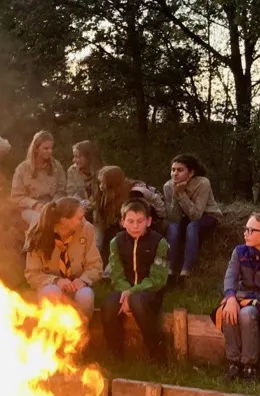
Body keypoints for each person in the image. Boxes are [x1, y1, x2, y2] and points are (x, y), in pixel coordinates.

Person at [213, 213, 260, 381]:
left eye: (251, 230)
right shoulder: (239, 252)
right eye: (245, 229)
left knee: (246, 313)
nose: (245, 233)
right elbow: (230, 277)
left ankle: (250, 367)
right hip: (244, 301)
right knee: (228, 310)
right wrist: (231, 297)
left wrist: (245, 296)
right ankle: (233, 363)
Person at [100, 200, 170, 363]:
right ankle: (115, 353)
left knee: (137, 300)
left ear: (149, 221)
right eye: (130, 221)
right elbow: (116, 275)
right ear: (123, 222)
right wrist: (125, 293)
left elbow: (158, 278)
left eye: (140, 221)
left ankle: (156, 351)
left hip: (150, 292)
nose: (135, 226)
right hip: (124, 289)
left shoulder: (159, 242)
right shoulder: (116, 242)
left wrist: (131, 293)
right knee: (108, 304)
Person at [24, 197, 103, 324]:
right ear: (64, 220)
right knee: (52, 293)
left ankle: (81, 335)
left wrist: (84, 280)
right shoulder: (39, 233)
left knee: (85, 296)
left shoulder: (87, 229)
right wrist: (56, 281)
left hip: (77, 285)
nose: (84, 221)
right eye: (79, 218)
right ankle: (53, 334)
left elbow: (95, 265)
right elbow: (32, 274)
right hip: (51, 286)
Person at [163, 154, 222, 286]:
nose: (175, 174)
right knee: (173, 227)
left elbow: (196, 215)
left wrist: (182, 194)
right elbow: (173, 217)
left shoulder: (203, 183)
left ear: (190, 173)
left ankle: (185, 273)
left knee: (192, 226)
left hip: (207, 216)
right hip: (185, 217)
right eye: (173, 170)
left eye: (180, 170)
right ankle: (170, 272)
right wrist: (175, 195)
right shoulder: (168, 186)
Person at [93, 166, 167, 265]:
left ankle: (113, 265)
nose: (101, 186)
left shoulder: (134, 193)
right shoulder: (109, 194)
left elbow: (149, 209)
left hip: (150, 220)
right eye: (100, 182)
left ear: (113, 183)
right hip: (126, 219)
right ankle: (103, 264)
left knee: (119, 233)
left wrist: (162, 219)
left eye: (103, 183)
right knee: (110, 232)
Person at [10, 130, 66, 227]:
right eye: (46, 148)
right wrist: (35, 204)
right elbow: (16, 197)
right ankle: (32, 242)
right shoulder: (22, 169)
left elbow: (61, 191)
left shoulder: (56, 166)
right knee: (38, 220)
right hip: (30, 209)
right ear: (36, 148)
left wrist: (52, 204)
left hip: (53, 206)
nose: (50, 151)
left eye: (51, 148)